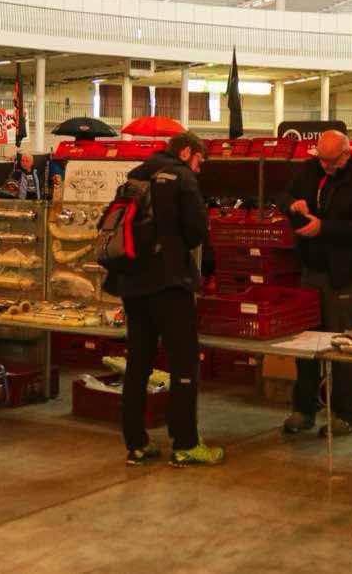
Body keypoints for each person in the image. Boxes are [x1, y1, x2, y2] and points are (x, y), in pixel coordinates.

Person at [103, 131, 224, 467]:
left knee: (138, 364)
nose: (199, 168)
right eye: (199, 160)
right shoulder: (181, 177)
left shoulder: (136, 175)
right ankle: (186, 444)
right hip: (168, 283)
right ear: (186, 152)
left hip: (131, 283)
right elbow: (197, 231)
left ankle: (136, 444)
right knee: (184, 362)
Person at [279, 130, 352, 437]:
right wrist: (293, 204)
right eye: (321, 158)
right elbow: (282, 196)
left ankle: (346, 414)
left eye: (331, 161)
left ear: (346, 154)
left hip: (345, 274)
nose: (325, 165)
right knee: (306, 343)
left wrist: (324, 227)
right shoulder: (309, 169)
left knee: (341, 345)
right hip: (312, 269)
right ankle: (304, 409)